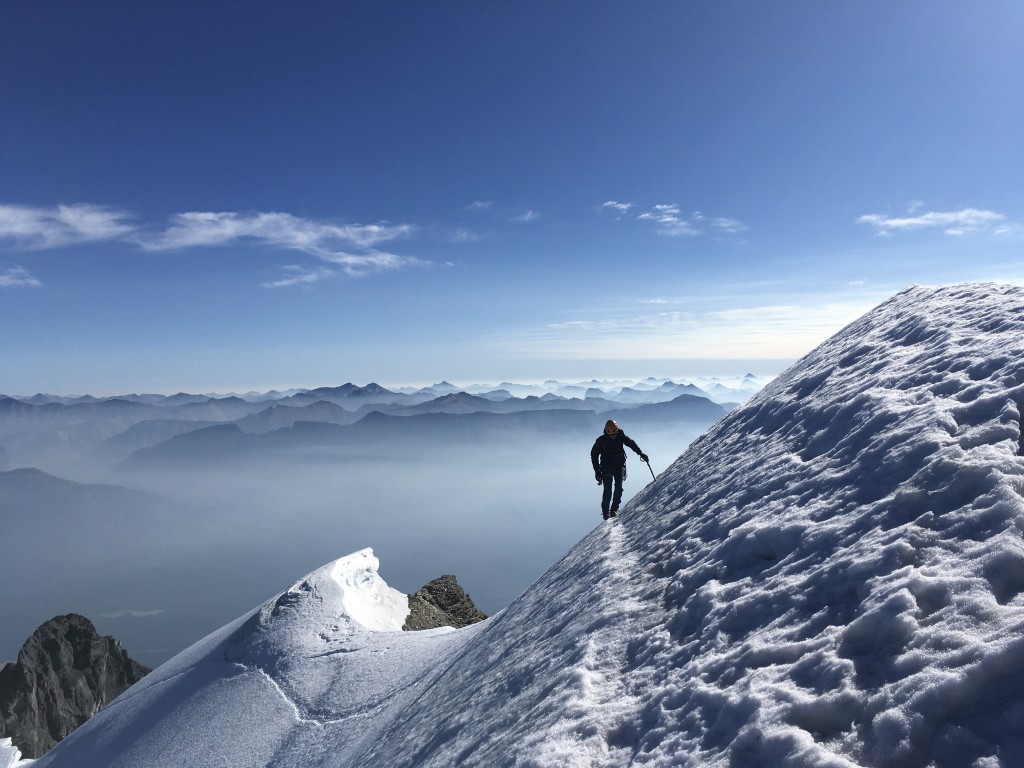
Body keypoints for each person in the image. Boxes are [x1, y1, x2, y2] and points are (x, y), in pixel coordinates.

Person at [590, 419, 648, 520]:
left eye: (614, 434)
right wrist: (597, 471)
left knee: (617, 488)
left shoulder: (618, 437)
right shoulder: (603, 440)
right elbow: (594, 455)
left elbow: (631, 444)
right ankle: (606, 512)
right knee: (608, 490)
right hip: (608, 467)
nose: (612, 436)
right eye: (611, 434)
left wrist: (640, 453)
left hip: (615, 466)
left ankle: (613, 510)